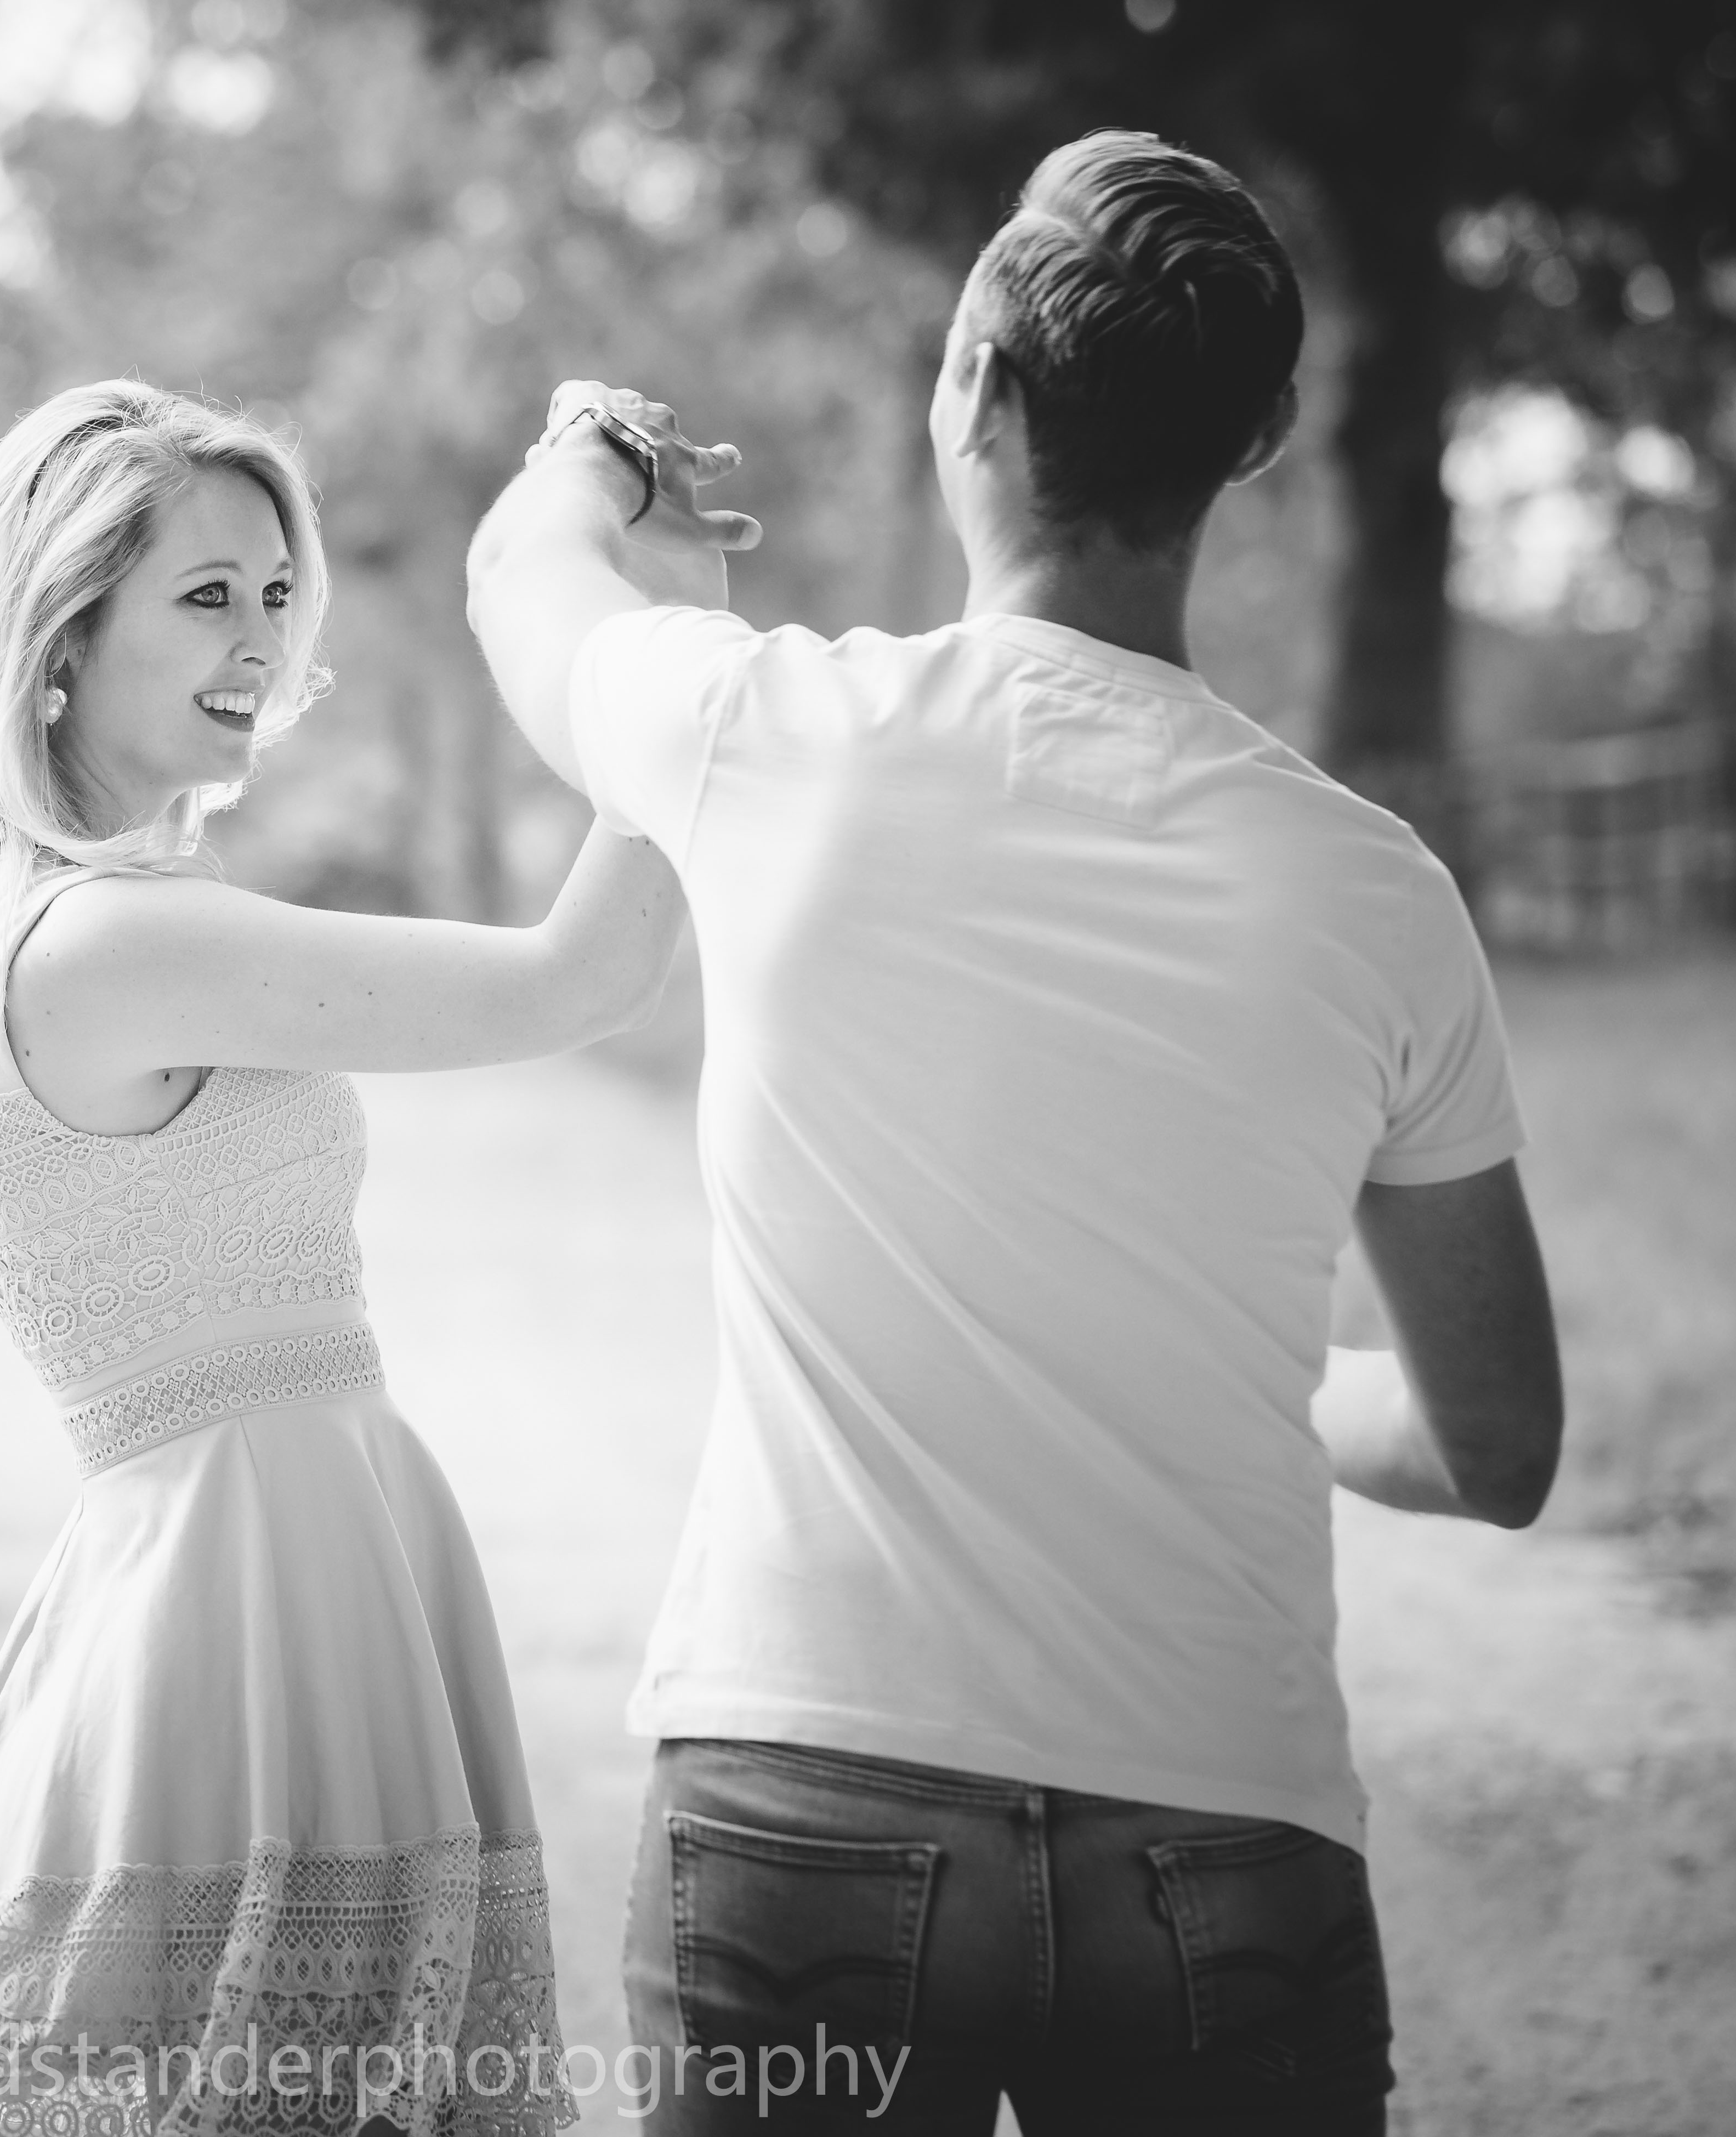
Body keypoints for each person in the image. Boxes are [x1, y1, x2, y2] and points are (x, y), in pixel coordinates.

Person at [461, 133, 1564, 2134]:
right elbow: (1497, 1445)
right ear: (1258, 445)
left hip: (806, 1784)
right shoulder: (1377, 893)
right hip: (1223, 1832)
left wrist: (596, 448)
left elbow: (521, 580)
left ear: (974, 383)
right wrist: (1226, 1371)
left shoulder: (764, 734)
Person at [0, 379, 724, 2137]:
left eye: (279, 592)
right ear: (62, 637)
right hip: (249, 1586)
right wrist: (675, 655)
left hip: (226, 1554)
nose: (262, 639)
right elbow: (582, 977)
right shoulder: (113, 939)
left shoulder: (29, 919)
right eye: (207, 594)